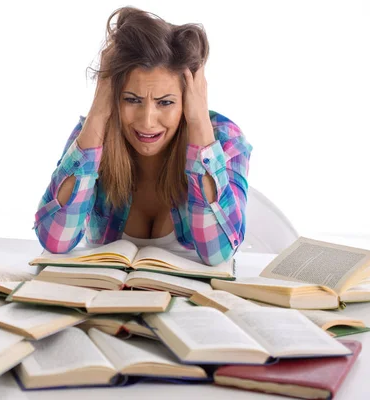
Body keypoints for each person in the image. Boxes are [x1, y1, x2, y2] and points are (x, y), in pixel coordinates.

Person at [33, 7, 253, 266]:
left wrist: (198, 121)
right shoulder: (93, 136)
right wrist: (98, 113)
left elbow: (218, 253)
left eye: (165, 102)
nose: (147, 121)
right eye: (132, 99)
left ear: (189, 99)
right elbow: (54, 241)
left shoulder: (225, 139)